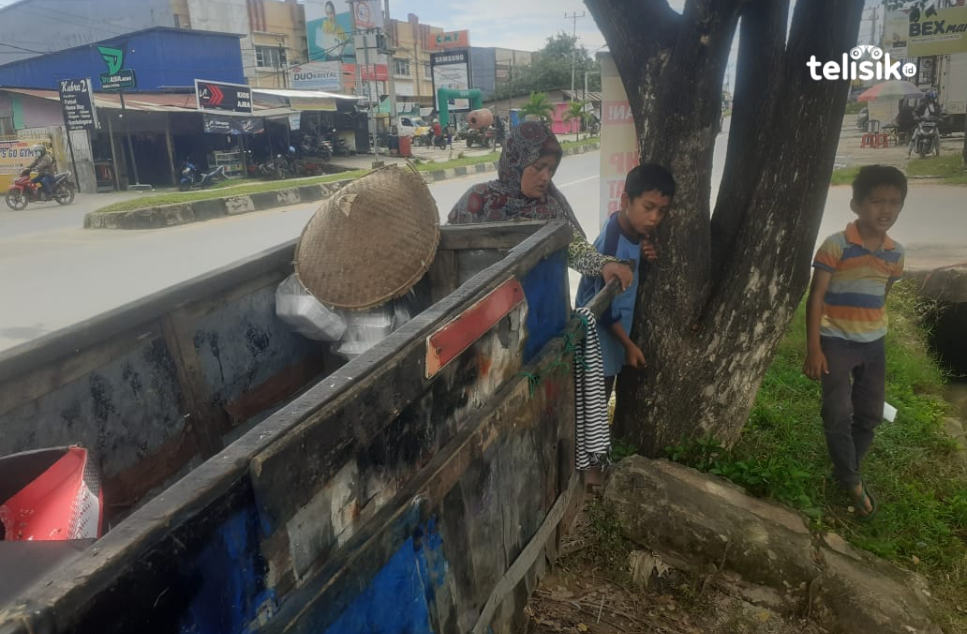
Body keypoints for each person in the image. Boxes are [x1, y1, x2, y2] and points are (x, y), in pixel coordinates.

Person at [803, 165, 907, 520]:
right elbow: (816, 297)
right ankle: (850, 478)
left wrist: (872, 326)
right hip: (835, 341)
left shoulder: (896, 253)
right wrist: (814, 348)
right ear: (856, 205)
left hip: (873, 344)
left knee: (869, 414)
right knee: (837, 411)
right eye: (877, 201)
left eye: (894, 202)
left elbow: (883, 292)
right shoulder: (837, 245)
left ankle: (849, 467)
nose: (886, 210)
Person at [448, 121, 633, 291]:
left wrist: (604, 264)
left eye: (551, 169)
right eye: (538, 167)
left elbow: (575, 249)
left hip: (540, 311)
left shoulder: (550, 207)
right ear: (516, 162)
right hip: (481, 308)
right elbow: (447, 248)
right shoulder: (478, 199)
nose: (546, 177)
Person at [575, 164, 675, 399]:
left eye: (661, 211)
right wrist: (628, 345)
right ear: (625, 200)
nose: (654, 218)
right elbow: (602, 308)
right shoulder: (611, 245)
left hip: (609, 346)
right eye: (648, 208)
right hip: (596, 347)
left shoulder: (628, 231)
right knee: (594, 409)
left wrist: (641, 250)